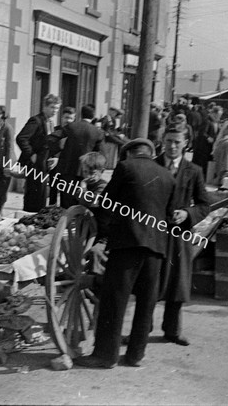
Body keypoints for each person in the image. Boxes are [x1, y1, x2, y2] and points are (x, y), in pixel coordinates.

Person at [79, 138, 175, 369]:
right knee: (146, 303)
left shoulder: (125, 167)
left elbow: (107, 203)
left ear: (128, 154)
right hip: (156, 248)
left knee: (114, 300)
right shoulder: (168, 175)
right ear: (150, 153)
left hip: (127, 243)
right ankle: (135, 356)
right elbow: (170, 215)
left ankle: (105, 356)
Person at [155, 126, 210, 346]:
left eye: (177, 142)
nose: (172, 146)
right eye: (168, 141)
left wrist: (188, 213)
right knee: (151, 281)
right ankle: (142, 328)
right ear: (162, 141)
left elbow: (204, 205)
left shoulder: (194, 170)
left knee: (178, 282)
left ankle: (172, 330)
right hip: (155, 232)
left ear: (185, 143)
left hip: (180, 234)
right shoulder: (153, 165)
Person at [49, 104, 105, 208]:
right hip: (86, 173)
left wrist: (58, 152)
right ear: (93, 115)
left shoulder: (71, 126)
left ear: (80, 114)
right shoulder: (97, 132)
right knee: (81, 204)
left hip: (67, 171)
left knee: (65, 205)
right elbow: (101, 156)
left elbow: (51, 138)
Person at [16, 94, 61, 212]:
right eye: (52, 107)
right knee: (33, 195)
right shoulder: (36, 120)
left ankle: (36, 218)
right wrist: (31, 154)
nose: (55, 111)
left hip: (45, 163)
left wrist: (55, 157)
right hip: (35, 164)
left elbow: (53, 143)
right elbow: (21, 138)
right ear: (44, 107)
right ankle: (29, 218)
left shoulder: (50, 123)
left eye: (57, 108)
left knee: (42, 195)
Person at [48, 106, 76, 206]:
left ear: (74, 119)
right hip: (55, 166)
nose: (68, 120)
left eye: (71, 118)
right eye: (66, 117)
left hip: (68, 168)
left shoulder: (75, 133)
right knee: (53, 190)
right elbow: (51, 146)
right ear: (61, 118)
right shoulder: (55, 130)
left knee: (66, 193)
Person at [193, 105, 222, 180]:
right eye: (218, 115)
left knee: (208, 163)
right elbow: (202, 132)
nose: (219, 117)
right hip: (203, 147)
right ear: (214, 113)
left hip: (211, 147)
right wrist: (208, 138)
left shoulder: (217, 123)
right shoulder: (207, 121)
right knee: (201, 163)